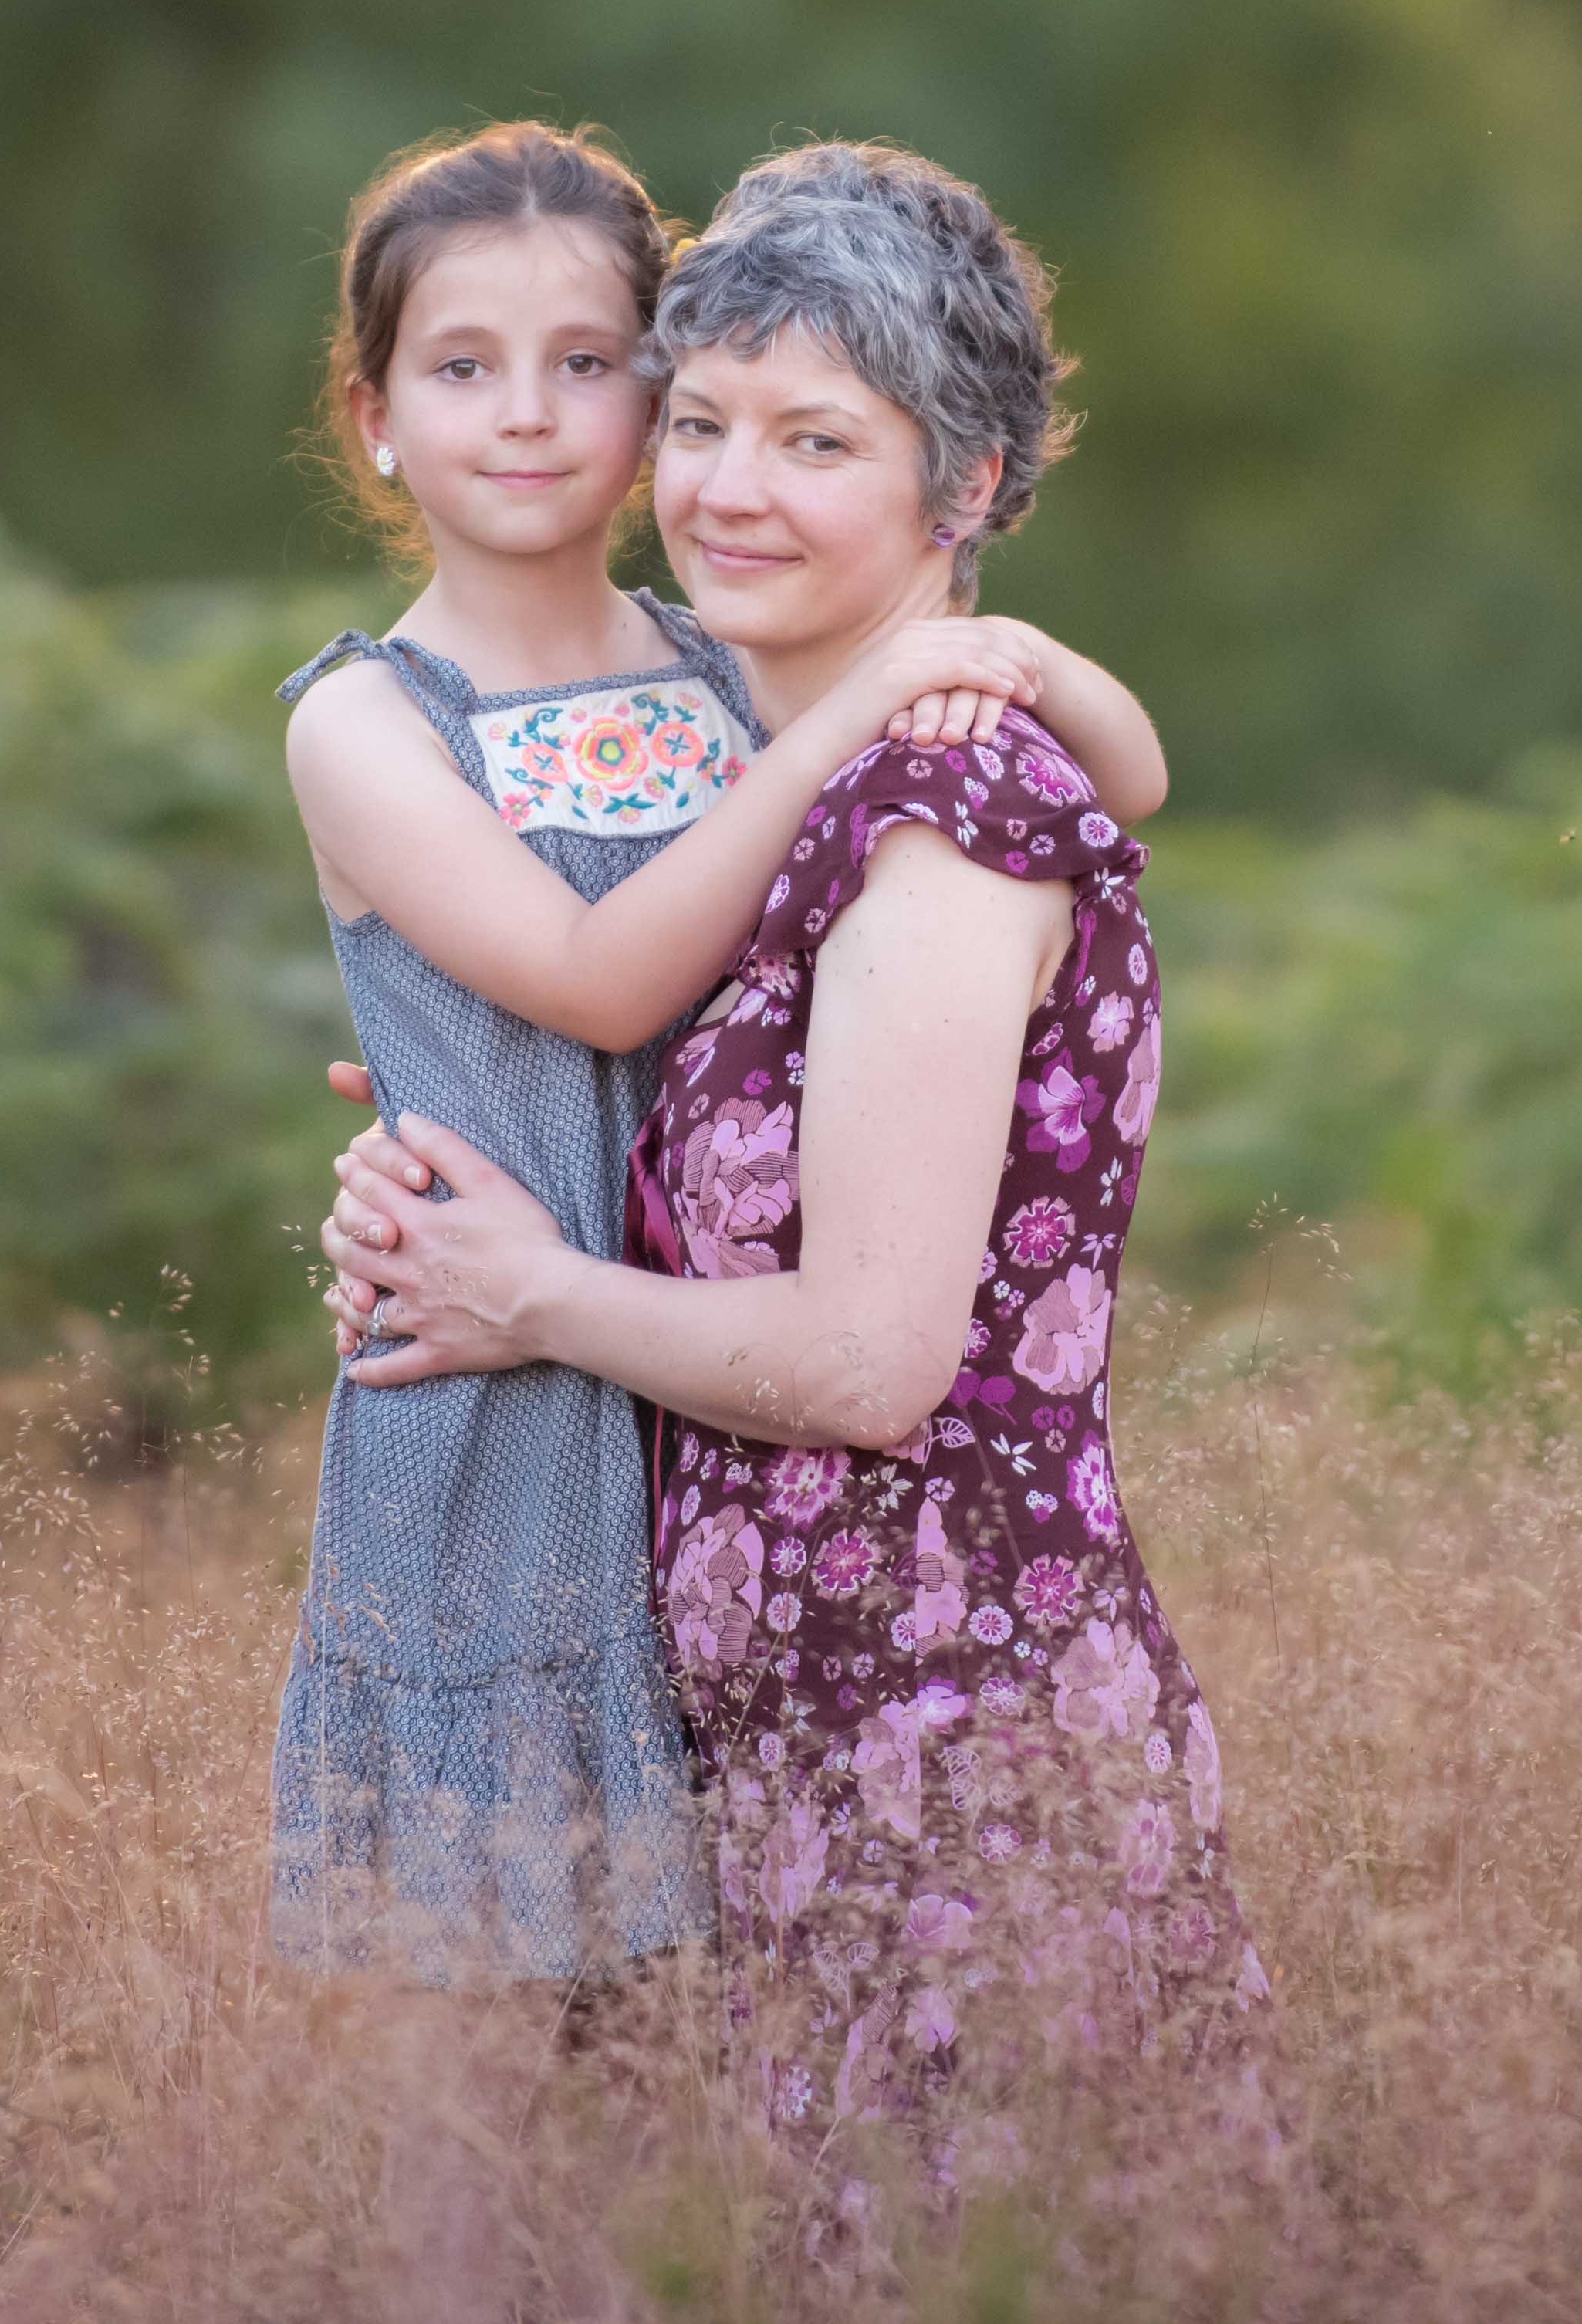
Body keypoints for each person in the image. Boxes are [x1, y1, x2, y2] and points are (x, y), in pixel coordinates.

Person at [323, 140, 1272, 2171]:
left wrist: (528, 1295)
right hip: (789, 1742)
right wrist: (427, 1169)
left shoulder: (928, 816)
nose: (727, 486)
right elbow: (591, 1021)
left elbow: (864, 1362)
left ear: (969, 486)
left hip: (944, 1736)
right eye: (710, 420)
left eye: (815, 439)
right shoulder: (762, 759)